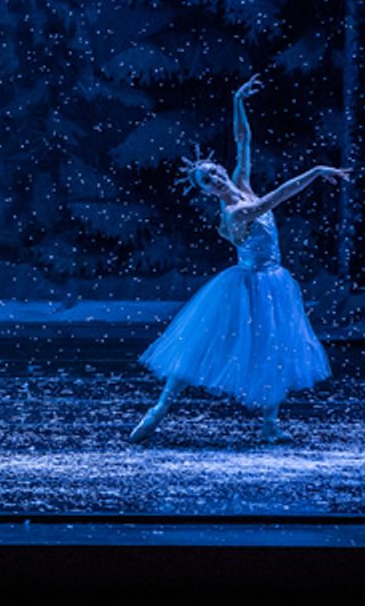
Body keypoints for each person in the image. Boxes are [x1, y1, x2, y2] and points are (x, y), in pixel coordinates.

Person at [129, 74, 349, 444]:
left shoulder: (241, 181)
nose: (214, 179)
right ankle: (160, 408)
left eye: (212, 172)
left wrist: (237, 101)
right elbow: (274, 199)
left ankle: (270, 424)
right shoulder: (234, 213)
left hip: (273, 279)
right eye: (206, 182)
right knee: (201, 344)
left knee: (274, 348)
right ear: (206, 191)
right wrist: (315, 171)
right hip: (246, 283)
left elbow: (243, 140)